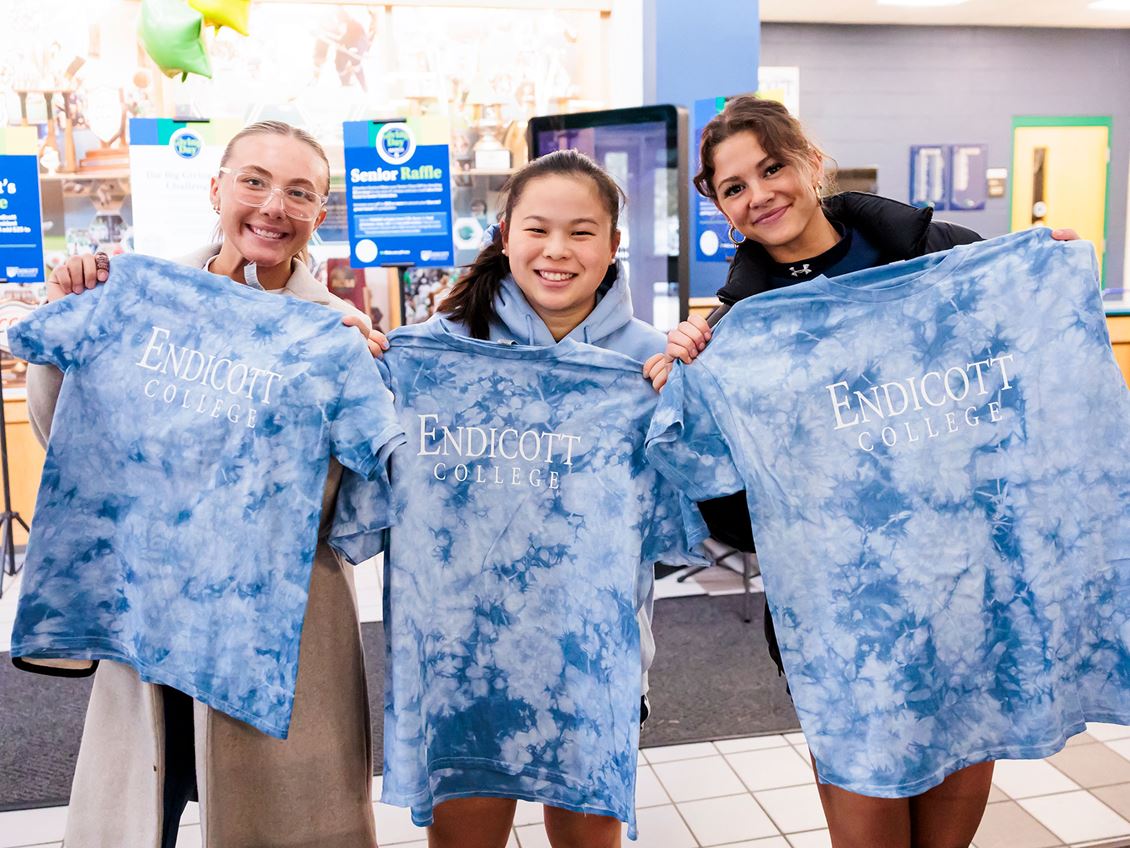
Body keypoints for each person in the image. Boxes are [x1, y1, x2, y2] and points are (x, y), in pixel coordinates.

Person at [643, 95, 1079, 848]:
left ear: (812, 164)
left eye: (771, 168)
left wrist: (1049, 280)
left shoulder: (944, 256)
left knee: (951, 817)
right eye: (734, 187)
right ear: (720, 209)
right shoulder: (739, 330)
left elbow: (1024, 392)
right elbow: (735, 513)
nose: (760, 194)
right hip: (844, 620)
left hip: (965, 590)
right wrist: (694, 394)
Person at [31, 120, 387, 848]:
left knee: (281, 822)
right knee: (139, 812)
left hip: (282, 625)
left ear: (320, 215)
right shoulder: (141, 302)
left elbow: (356, 504)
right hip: (151, 615)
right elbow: (63, 433)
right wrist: (67, 318)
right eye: (254, 181)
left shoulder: (334, 333)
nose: (272, 206)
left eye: (299, 192)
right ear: (217, 188)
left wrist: (365, 382)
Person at [400, 149, 670, 848]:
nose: (557, 251)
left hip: (590, 659)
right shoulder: (441, 352)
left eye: (582, 232)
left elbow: (692, 508)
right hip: (465, 659)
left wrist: (689, 398)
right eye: (537, 229)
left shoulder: (649, 364)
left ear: (614, 246)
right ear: (504, 234)